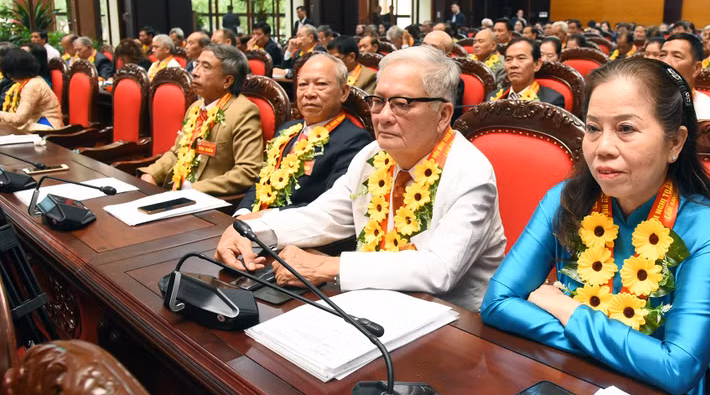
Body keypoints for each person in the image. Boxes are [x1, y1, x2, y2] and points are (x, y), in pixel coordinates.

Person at [481, 56, 710, 395]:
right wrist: (614, 345)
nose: (602, 147)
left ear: (675, 143)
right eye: (592, 128)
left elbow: (676, 368)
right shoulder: (563, 200)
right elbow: (496, 303)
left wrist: (564, 308)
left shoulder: (706, 229)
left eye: (626, 129)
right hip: (569, 381)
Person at [214, 46, 506, 312]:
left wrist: (330, 266)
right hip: (372, 301)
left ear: (443, 114)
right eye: (378, 101)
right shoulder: (373, 155)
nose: (384, 116)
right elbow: (325, 215)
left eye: (402, 103)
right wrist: (249, 230)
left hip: (452, 324)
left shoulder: (470, 173)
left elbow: (439, 269)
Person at [235, 53, 372, 216]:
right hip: (254, 224)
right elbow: (261, 182)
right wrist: (242, 213)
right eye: (303, 85)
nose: (309, 93)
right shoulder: (287, 129)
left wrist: (262, 218)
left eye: (321, 84)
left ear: (343, 92)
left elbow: (330, 207)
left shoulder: (354, 140)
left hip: (298, 233)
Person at [139, 44, 263, 195]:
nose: (195, 72)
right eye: (196, 64)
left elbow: (247, 172)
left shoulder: (243, 112)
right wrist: (151, 173)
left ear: (227, 81)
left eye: (206, 67)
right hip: (174, 191)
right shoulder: (196, 107)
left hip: (207, 200)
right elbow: (177, 152)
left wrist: (191, 190)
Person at [659, 33, 710, 120]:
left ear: (696, 68)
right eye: (662, 55)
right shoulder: (641, 100)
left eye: (676, 56)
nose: (665, 62)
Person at [488, 38, 565, 108]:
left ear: (537, 65)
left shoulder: (551, 101)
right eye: (508, 59)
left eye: (521, 58)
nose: (513, 65)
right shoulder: (493, 97)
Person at [0, 48, 63, 132]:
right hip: (33, 124)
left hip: (47, 131)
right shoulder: (30, 81)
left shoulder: (33, 85)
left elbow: (19, 119)